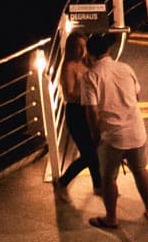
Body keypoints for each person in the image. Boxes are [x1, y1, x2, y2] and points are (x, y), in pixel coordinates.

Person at [81, 32, 148, 229]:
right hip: (136, 130)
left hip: (112, 136)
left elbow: (92, 112)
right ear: (108, 50)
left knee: (108, 178)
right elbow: (137, 96)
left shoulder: (90, 76)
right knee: (140, 171)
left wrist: (96, 136)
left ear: (90, 53)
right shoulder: (125, 68)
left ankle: (111, 218)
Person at [55, 30, 103, 193]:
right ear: (72, 48)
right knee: (89, 152)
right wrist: (88, 94)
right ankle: (64, 182)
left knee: (92, 150)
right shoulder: (69, 66)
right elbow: (68, 94)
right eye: (79, 47)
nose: (82, 50)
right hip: (76, 112)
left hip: (88, 110)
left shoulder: (87, 63)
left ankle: (97, 185)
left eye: (85, 46)